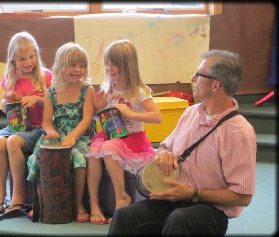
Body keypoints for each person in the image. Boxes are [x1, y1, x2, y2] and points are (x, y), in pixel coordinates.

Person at [108, 49, 257, 236]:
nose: (193, 78)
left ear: (216, 85)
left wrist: (193, 193)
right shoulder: (191, 113)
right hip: (174, 201)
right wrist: (163, 154)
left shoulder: (239, 132)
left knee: (179, 219)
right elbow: (165, 146)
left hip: (210, 211)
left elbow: (243, 196)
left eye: (199, 74)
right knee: (125, 215)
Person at [86, 39, 162, 224]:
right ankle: (94, 203)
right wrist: (97, 100)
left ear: (127, 65)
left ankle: (122, 197)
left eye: (113, 64)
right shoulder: (109, 89)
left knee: (109, 148)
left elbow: (157, 116)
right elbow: (96, 113)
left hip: (132, 138)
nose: (108, 67)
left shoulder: (138, 91)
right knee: (94, 154)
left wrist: (131, 113)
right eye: (107, 63)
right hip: (109, 135)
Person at [26, 42, 96, 223]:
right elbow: (47, 122)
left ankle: (77, 203)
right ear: (61, 66)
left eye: (82, 66)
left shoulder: (87, 90)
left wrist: (72, 136)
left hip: (80, 134)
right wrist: (50, 133)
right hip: (57, 133)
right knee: (39, 157)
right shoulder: (51, 92)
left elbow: (87, 119)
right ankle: (43, 202)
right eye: (73, 65)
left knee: (79, 159)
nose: (78, 69)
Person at [0, 31, 52, 214]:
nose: (28, 62)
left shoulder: (46, 76)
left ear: (36, 55)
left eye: (31, 56)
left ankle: (18, 194)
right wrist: (7, 100)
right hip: (15, 126)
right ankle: (1, 193)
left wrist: (38, 100)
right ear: (13, 61)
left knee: (12, 141)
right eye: (22, 58)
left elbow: (55, 106)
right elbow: (3, 106)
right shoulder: (10, 77)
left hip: (37, 128)